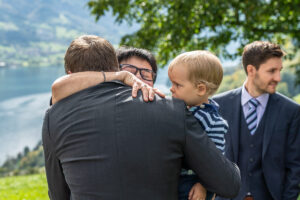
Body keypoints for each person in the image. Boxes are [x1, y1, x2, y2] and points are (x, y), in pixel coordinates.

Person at [42, 35, 241, 200]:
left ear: (70, 74)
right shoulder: (174, 110)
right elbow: (228, 184)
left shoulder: (54, 117)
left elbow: (59, 194)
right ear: (116, 67)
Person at [213, 41, 300, 200]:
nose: (278, 78)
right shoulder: (219, 105)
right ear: (251, 70)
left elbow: (295, 166)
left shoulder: (291, 111)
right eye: (272, 71)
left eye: (279, 70)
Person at [168, 51, 228, 200]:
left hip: (192, 184)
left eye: (177, 84)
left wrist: (203, 185)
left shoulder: (212, 121)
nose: (171, 88)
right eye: (171, 83)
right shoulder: (187, 110)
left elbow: (215, 161)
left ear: (201, 89)